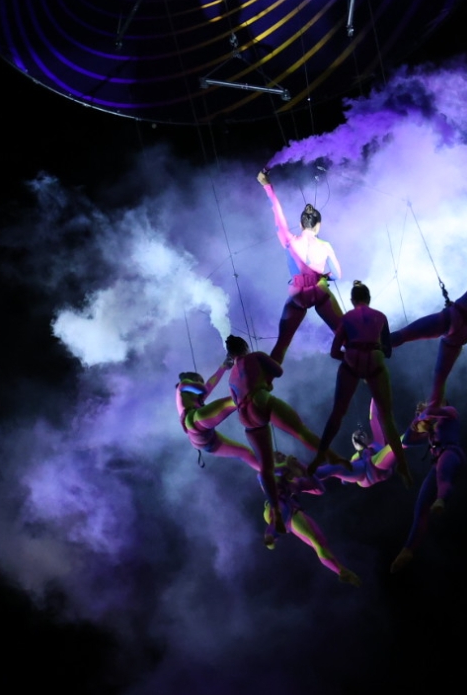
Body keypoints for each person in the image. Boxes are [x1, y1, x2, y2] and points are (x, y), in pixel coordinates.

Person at [389, 195, 467, 407]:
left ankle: (371, 346)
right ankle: (433, 410)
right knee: (439, 379)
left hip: (452, 319)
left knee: (405, 334)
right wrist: (463, 311)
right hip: (462, 335)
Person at [224, 334, 338, 545]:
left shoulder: (231, 377)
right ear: (245, 346)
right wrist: (265, 382)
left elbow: (234, 398)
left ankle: (275, 511)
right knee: (300, 432)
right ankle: (332, 456)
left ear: (231, 355)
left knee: (265, 468)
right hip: (259, 399)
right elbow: (278, 371)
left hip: (244, 415)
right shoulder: (255, 356)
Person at [310, 282, 413, 486]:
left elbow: (334, 352)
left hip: (352, 362)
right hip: (375, 362)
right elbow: (388, 351)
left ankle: (320, 455)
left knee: (338, 413)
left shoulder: (347, 318)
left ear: (352, 300)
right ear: (369, 298)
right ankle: (403, 465)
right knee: (387, 418)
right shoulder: (380, 316)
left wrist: (350, 359)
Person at [258, 169, 343, 364]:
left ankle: (262, 380)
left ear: (300, 224)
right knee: (344, 336)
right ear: (318, 225)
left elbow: (278, 217)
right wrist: (325, 276)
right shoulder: (325, 246)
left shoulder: (289, 241)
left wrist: (267, 186)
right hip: (320, 293)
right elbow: (338, 275)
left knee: (281, 345)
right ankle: (364, 371)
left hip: (297, 295)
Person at [259, 451, 361, 585]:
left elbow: (319, 489)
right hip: (276, 508)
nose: (282, 456)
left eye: (283, 455)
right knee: (283, 509)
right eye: (277, 456)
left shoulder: (296, 482)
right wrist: (288, 465)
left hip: (292, 513)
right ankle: (271, 535)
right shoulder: (270, 474)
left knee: (318, 541)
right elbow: (265, 474)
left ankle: (341, 570)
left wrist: (303, 469)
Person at [391, 401, 467, 574]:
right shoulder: (431, 430)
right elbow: (408, 440)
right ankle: (408, 549)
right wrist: (417, 419)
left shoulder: (450, 412)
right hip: (438, 461)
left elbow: (435, 411)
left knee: (442, 475)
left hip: (452, 454)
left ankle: (441, 499)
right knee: (421, 506)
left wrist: (424, 413)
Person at [173, 363, 257, 468]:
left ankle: (269, 470)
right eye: (199, 380)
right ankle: (252, 397)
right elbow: (203, 388)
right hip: (194, 422)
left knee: (244, 453)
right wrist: (201, 386)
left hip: (205, 440)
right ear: (193, 379)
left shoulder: (195, 398)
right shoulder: (182, 385)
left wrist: (223, 367)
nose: (202, 383)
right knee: (238, 399)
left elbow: (210, 384)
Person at [313, 398, 397, 487]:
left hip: (378, 465)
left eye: (360, 435)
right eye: (356, 437)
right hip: (364, 473)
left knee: (397, 445)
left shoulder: (377, 443)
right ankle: (307, 475)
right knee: (336, 467)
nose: (358, 436)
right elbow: (345, 472)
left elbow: (373, 416)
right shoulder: (356, 457)